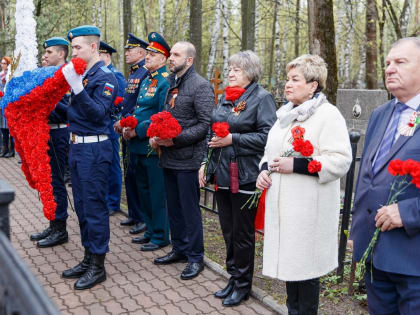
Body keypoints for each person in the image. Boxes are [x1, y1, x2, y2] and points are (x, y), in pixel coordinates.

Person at [256, 54, 352, 315]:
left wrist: (296, 165)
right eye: (287, 79)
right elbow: (269, 153)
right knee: (291, 281)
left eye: (295, 79)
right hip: (285, 213)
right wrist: (264, 171)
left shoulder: (328, 116)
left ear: (313, 85)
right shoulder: (284, 115)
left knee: (306, 278)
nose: (287, 84)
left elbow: (340, 160)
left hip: (308, 215)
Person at [199, 50, 277, 306]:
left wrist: (234, 139)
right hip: (222, 174)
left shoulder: (262, 98)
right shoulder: (227, 98)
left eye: (237, 70)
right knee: (228, 231)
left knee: (242, 235)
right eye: (230, 69)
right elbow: (213, 132)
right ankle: (233, 277)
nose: (231, 74)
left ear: (251, 73)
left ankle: (243, 285)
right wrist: (205, 163)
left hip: (244, 175)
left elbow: (268, 137)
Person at [350, 37, 420, 315]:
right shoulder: (380, 114)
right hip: (375, 258)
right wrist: (357, 229)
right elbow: (366, 175)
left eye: (400, 62)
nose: (390, 68)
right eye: (388, 62)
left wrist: (408, 212)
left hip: (413, 261)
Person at [61, 25, 118, 290]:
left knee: (94, 208)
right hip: (78, 148)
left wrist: (77, 89)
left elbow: (98, 114)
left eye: (77, 47)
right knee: (82, 207)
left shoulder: (105, 77)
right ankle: (87, 257)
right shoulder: (83, 74)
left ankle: (98, 265)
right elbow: (75, 114)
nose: (74, 52)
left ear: (93, 47)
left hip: (95, 150)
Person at [151, 41, 214, 280]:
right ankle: (179, 249)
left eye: (176, 55)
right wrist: (158, 134)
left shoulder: (200, 86)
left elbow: (205, 124)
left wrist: (175, 140)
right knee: (174, 209)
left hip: (188, 159)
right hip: (168, 158)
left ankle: (196, 257)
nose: (171, 58)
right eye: (171, 54)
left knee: (189, 211)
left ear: (189, 60)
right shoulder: (170, 84)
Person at [122, 32, 170, 252]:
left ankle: (161, 235)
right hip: (137, 145)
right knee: (143, 190)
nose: (147, 57)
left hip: (150, 145)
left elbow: (160, 115)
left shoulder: (164, 82)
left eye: (152, 54)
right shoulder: (146, 79)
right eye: (148, 53)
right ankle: (150, 230)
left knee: (156, 192)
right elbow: (139, 109)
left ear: (163, 58)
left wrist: (137, 131)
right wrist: (127, 125)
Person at [29, 37, 71, 248]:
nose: (44, 56)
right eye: (45, 52)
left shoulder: (66, 76)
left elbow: (68, 110)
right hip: (47, 133)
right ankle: (53, 223)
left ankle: (60, 228)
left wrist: (45, 102)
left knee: (56, 182)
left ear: (61, 54)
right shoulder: (51, 75)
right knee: (48, 181)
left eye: (49, 52)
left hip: (59, 133)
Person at [115, 33, 148, 234]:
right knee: (130, 174)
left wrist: (130, 125)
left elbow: (139, 103)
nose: (126, 53)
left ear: (141, 52)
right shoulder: (134, 72)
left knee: (138, 176)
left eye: (130, 49)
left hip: (135, 129)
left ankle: (142, 217)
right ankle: (134, 214)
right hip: (126, 128)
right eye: (126, 49)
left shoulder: (144, 72)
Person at [99, 41, 126, 216]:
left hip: (110, 124)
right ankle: (106, 199)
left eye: (100, 55)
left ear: (107, 56)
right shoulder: (99, 74)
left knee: (113, 164)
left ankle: (113, 202)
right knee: (103, 164)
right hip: (99, 125)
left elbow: (121, 101)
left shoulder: (116, 76)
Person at [0, 56, 14, 158]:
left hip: (8, 104)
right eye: (2, 63)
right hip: (1, 104)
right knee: (2, 128)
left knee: (9, 128)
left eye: (5, 63)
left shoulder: (10, 75)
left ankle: (11, 150)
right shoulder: (0, 74)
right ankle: (4, 149)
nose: (3, 65)